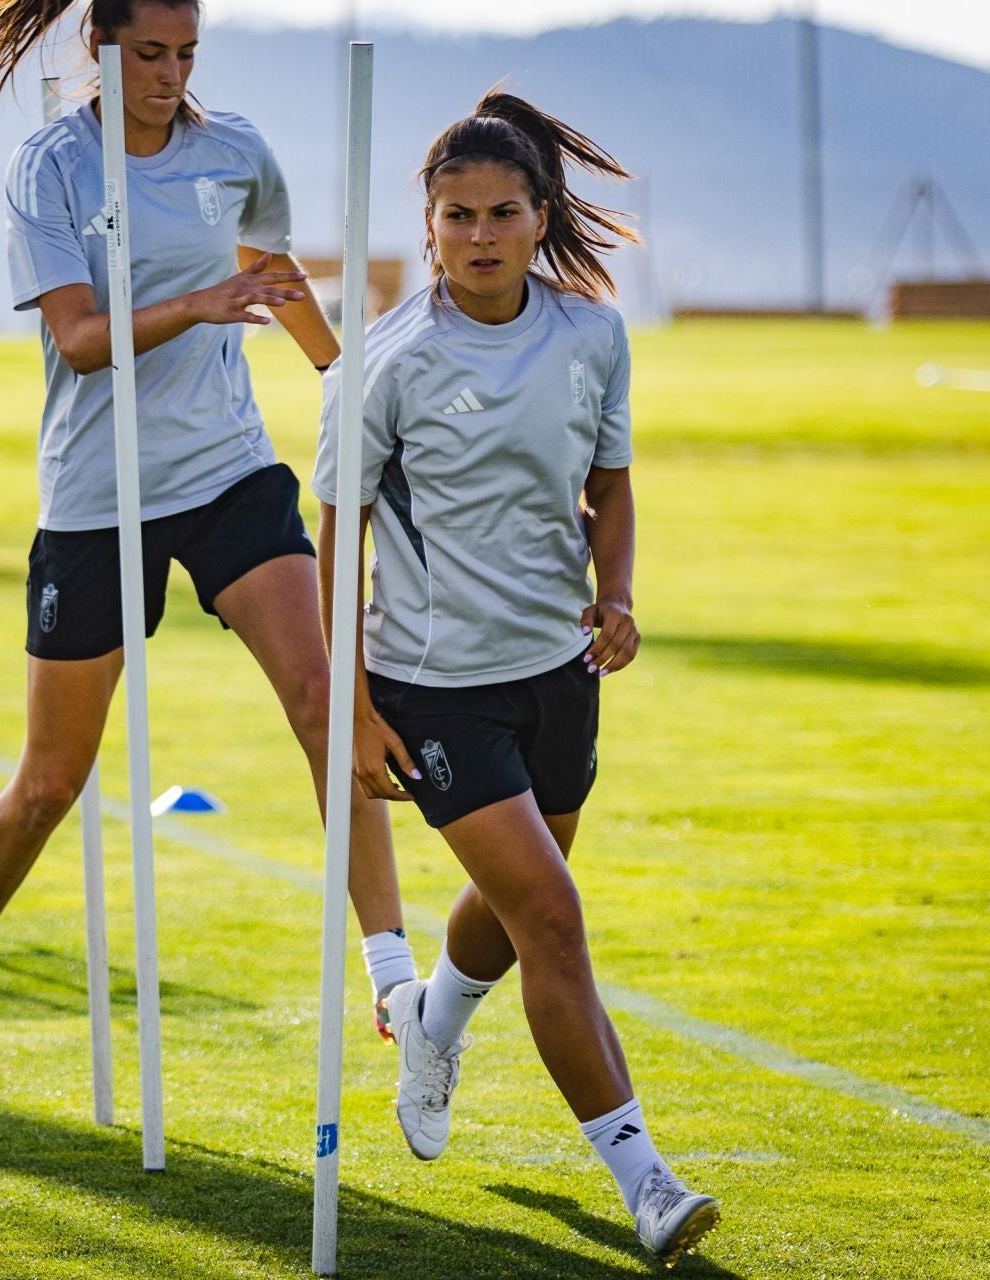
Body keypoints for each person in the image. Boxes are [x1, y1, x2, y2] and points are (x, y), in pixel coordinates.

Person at [0, 0, 414, 1094]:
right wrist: (202, 299)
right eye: (149, 53)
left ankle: (393, 975)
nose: (169, 74)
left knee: (324, 695)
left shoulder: (232, 151)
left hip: (227, 468)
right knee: (51, 781)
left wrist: (347, 385)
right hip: (97, 496)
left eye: (186, 53)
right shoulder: (51, 169)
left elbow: (276, 280)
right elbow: (82, 342)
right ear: (101, 48)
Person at [312, 90, 719, 1267]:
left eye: (501, 212)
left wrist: (620, 594)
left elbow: (614, 481)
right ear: (424, 225)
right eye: (455, 216)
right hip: (435, 688)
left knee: (512, 902)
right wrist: (351, 703)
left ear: (540, 217)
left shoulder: (592, 334)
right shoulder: (383, 361)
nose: (478, 235)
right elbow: (335, 531)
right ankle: (648, 1180)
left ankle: (430, 1016)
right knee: (551, 913)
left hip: (560, 669)